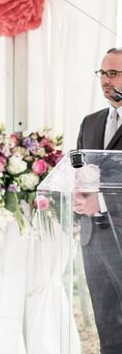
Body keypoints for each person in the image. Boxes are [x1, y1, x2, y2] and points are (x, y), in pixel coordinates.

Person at [75, 47, 122, 354]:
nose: (106, 80)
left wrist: (102, 203)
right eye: (102, 73)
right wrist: (77, 196)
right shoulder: (90, 122)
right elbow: (77, 170)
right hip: (93, 239)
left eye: (113, 73)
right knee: (107, 328)